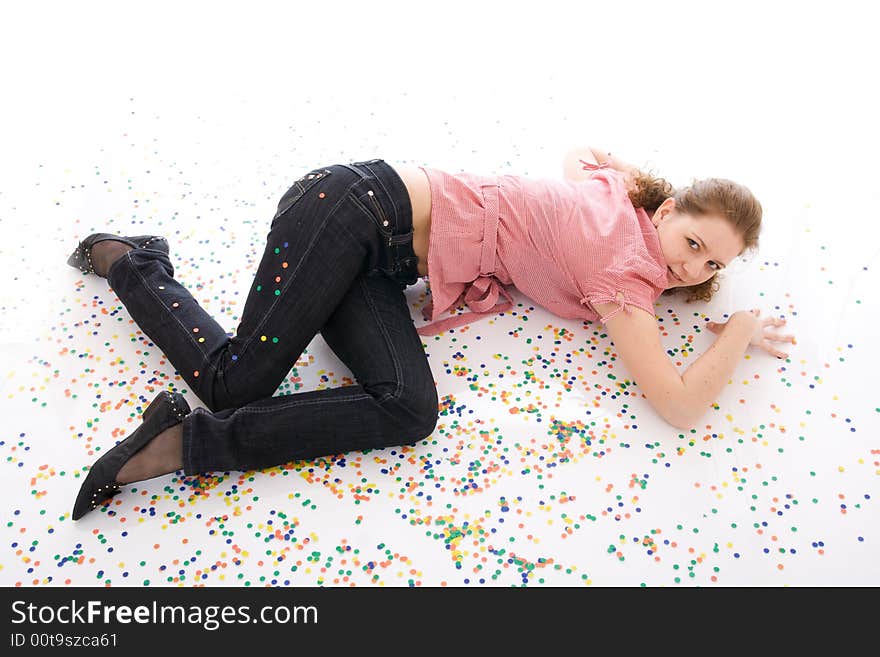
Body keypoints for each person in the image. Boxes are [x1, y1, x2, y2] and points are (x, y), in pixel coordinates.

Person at [67, 152, 794, 520]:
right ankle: (137, 261)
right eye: (692, 240)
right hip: (349, 207)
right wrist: (736, 335)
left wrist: (623, 181)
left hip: (379, 261)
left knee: (410, 408)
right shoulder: (623, 270)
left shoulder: (618, 200)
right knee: (235, 382)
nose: (688, 266)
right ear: (665, 209)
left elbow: (582, 156)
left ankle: (187, 440)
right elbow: (678, 403)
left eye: (711, 263)